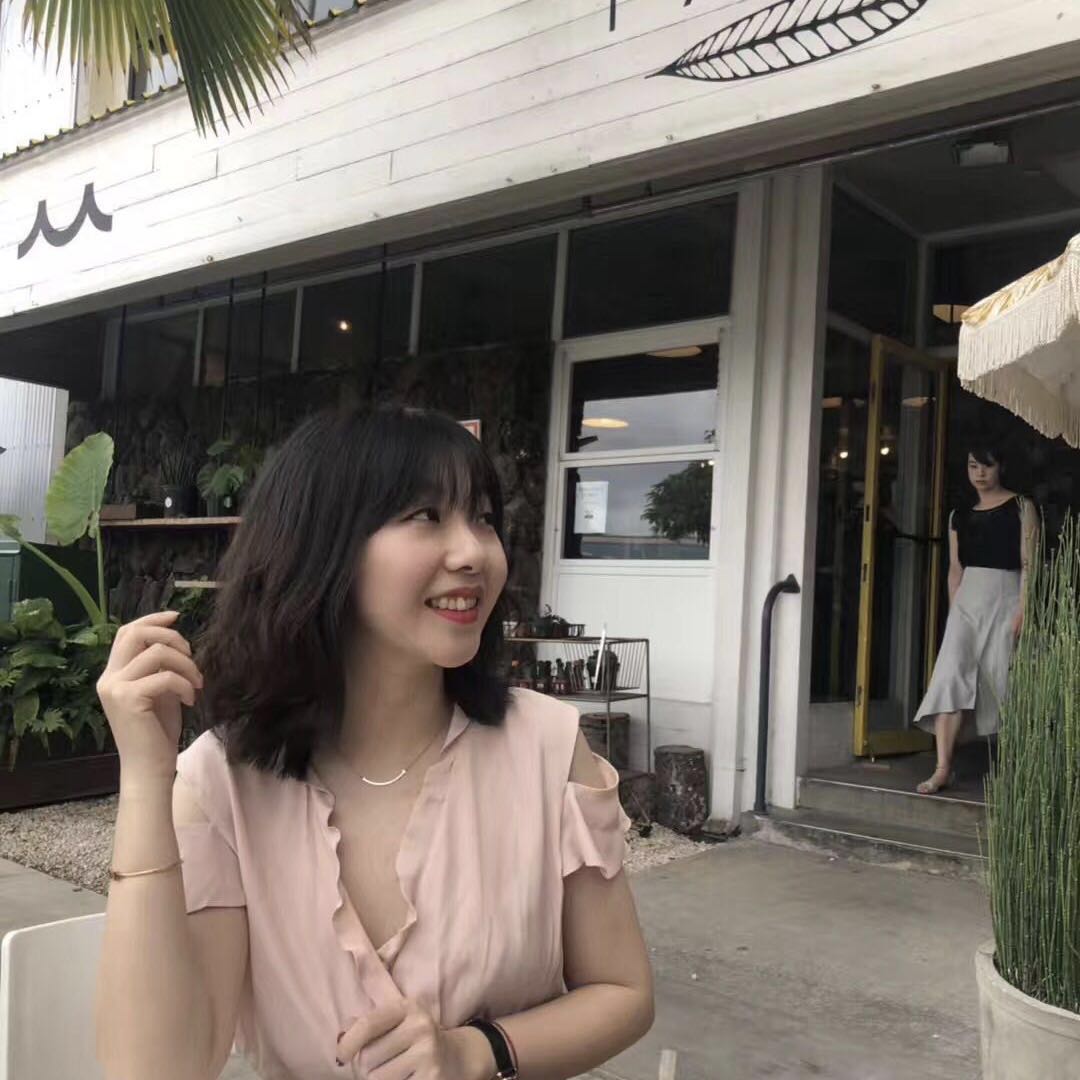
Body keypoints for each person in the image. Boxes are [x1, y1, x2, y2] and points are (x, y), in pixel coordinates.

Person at [94, 405, 654, 1080]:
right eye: (426, 515)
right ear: (323, 546)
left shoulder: (547, 746)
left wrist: (478, 1051)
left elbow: (623, 991)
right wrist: (144, 782)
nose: (474, 552)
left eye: (483, 518)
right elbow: (154, 1069)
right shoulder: (224, 784)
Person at [913, 442, 1039, 795]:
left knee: (1004, 681)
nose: (980, 473)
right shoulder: (959, 515)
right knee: (950, 675)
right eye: (973, 466)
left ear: (1001, 466)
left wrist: (1024, 608)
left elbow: (1029, 562)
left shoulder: (1021, 506)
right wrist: (954, 612)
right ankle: (942, 768)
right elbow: (955, 568)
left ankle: (1018, 771)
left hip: (1006, 597)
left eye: (987, 465)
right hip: (967, 601)